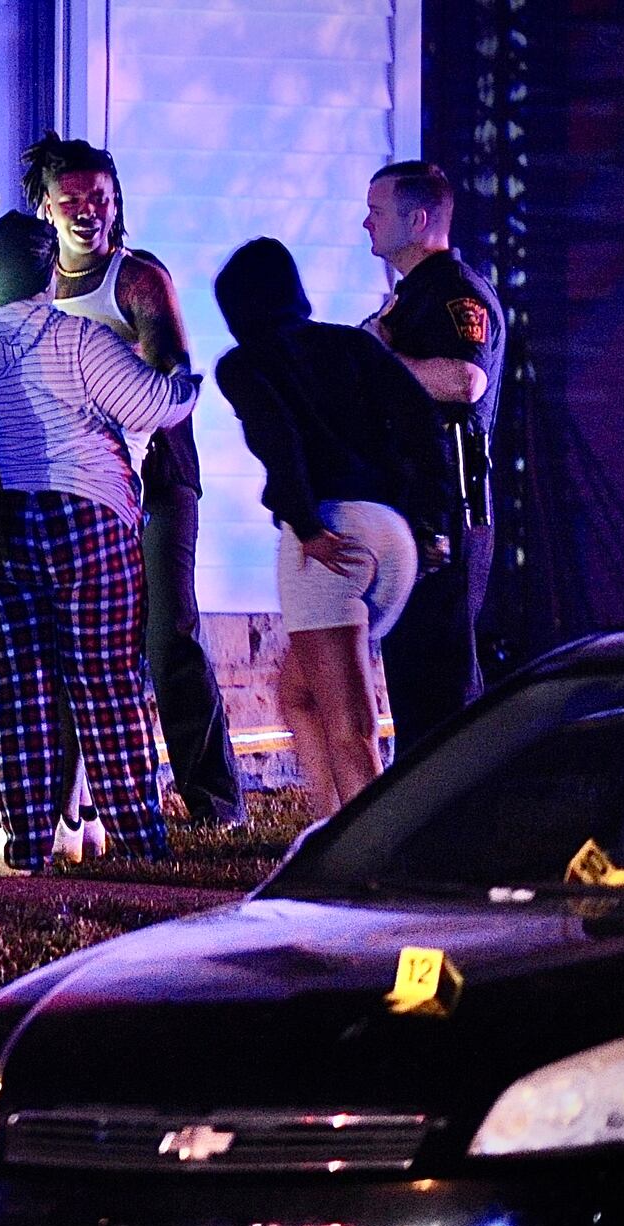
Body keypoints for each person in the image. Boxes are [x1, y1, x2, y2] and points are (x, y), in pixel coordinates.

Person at [0, 211, 202, 873]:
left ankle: (30, 846)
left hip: (3, 521)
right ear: (48, 273)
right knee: (107, 683)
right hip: (88, 516)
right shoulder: (79, 339)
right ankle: (140, 847)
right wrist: (185, 381)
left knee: (20, 690)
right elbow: (153, 404)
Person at [22, 132, 246, 848]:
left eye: (101, 200)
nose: (88, 213)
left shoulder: (137, 278)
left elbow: (172, 379)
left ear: (118, 205)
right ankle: (73, 808)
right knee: (78, 644)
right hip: (76, 490)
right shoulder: (35, 283)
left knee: (167, 634)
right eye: (72, 201)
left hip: (157, 480)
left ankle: (214, 798)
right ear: (45, 208)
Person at [215, 238, 454, 818]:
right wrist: (430, 523)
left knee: (350, 724)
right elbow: (423, 421)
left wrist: (304, 522)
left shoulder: (245, 364)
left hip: (329, 534)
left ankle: (373, 856)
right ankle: (326, 832)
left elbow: (279, 437)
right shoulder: (351, 344)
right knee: (298, 693)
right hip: (394, 536)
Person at [361, 161, 505, 750]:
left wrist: (379, 359)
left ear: (417, 219)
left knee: (443, 678)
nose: (364, 222)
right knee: (415, 671)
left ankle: (460, 810)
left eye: (376, 211)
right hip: (411, 507)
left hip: (445, 511)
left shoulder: (456, 294)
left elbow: (465, 380)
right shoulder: (414, 296)